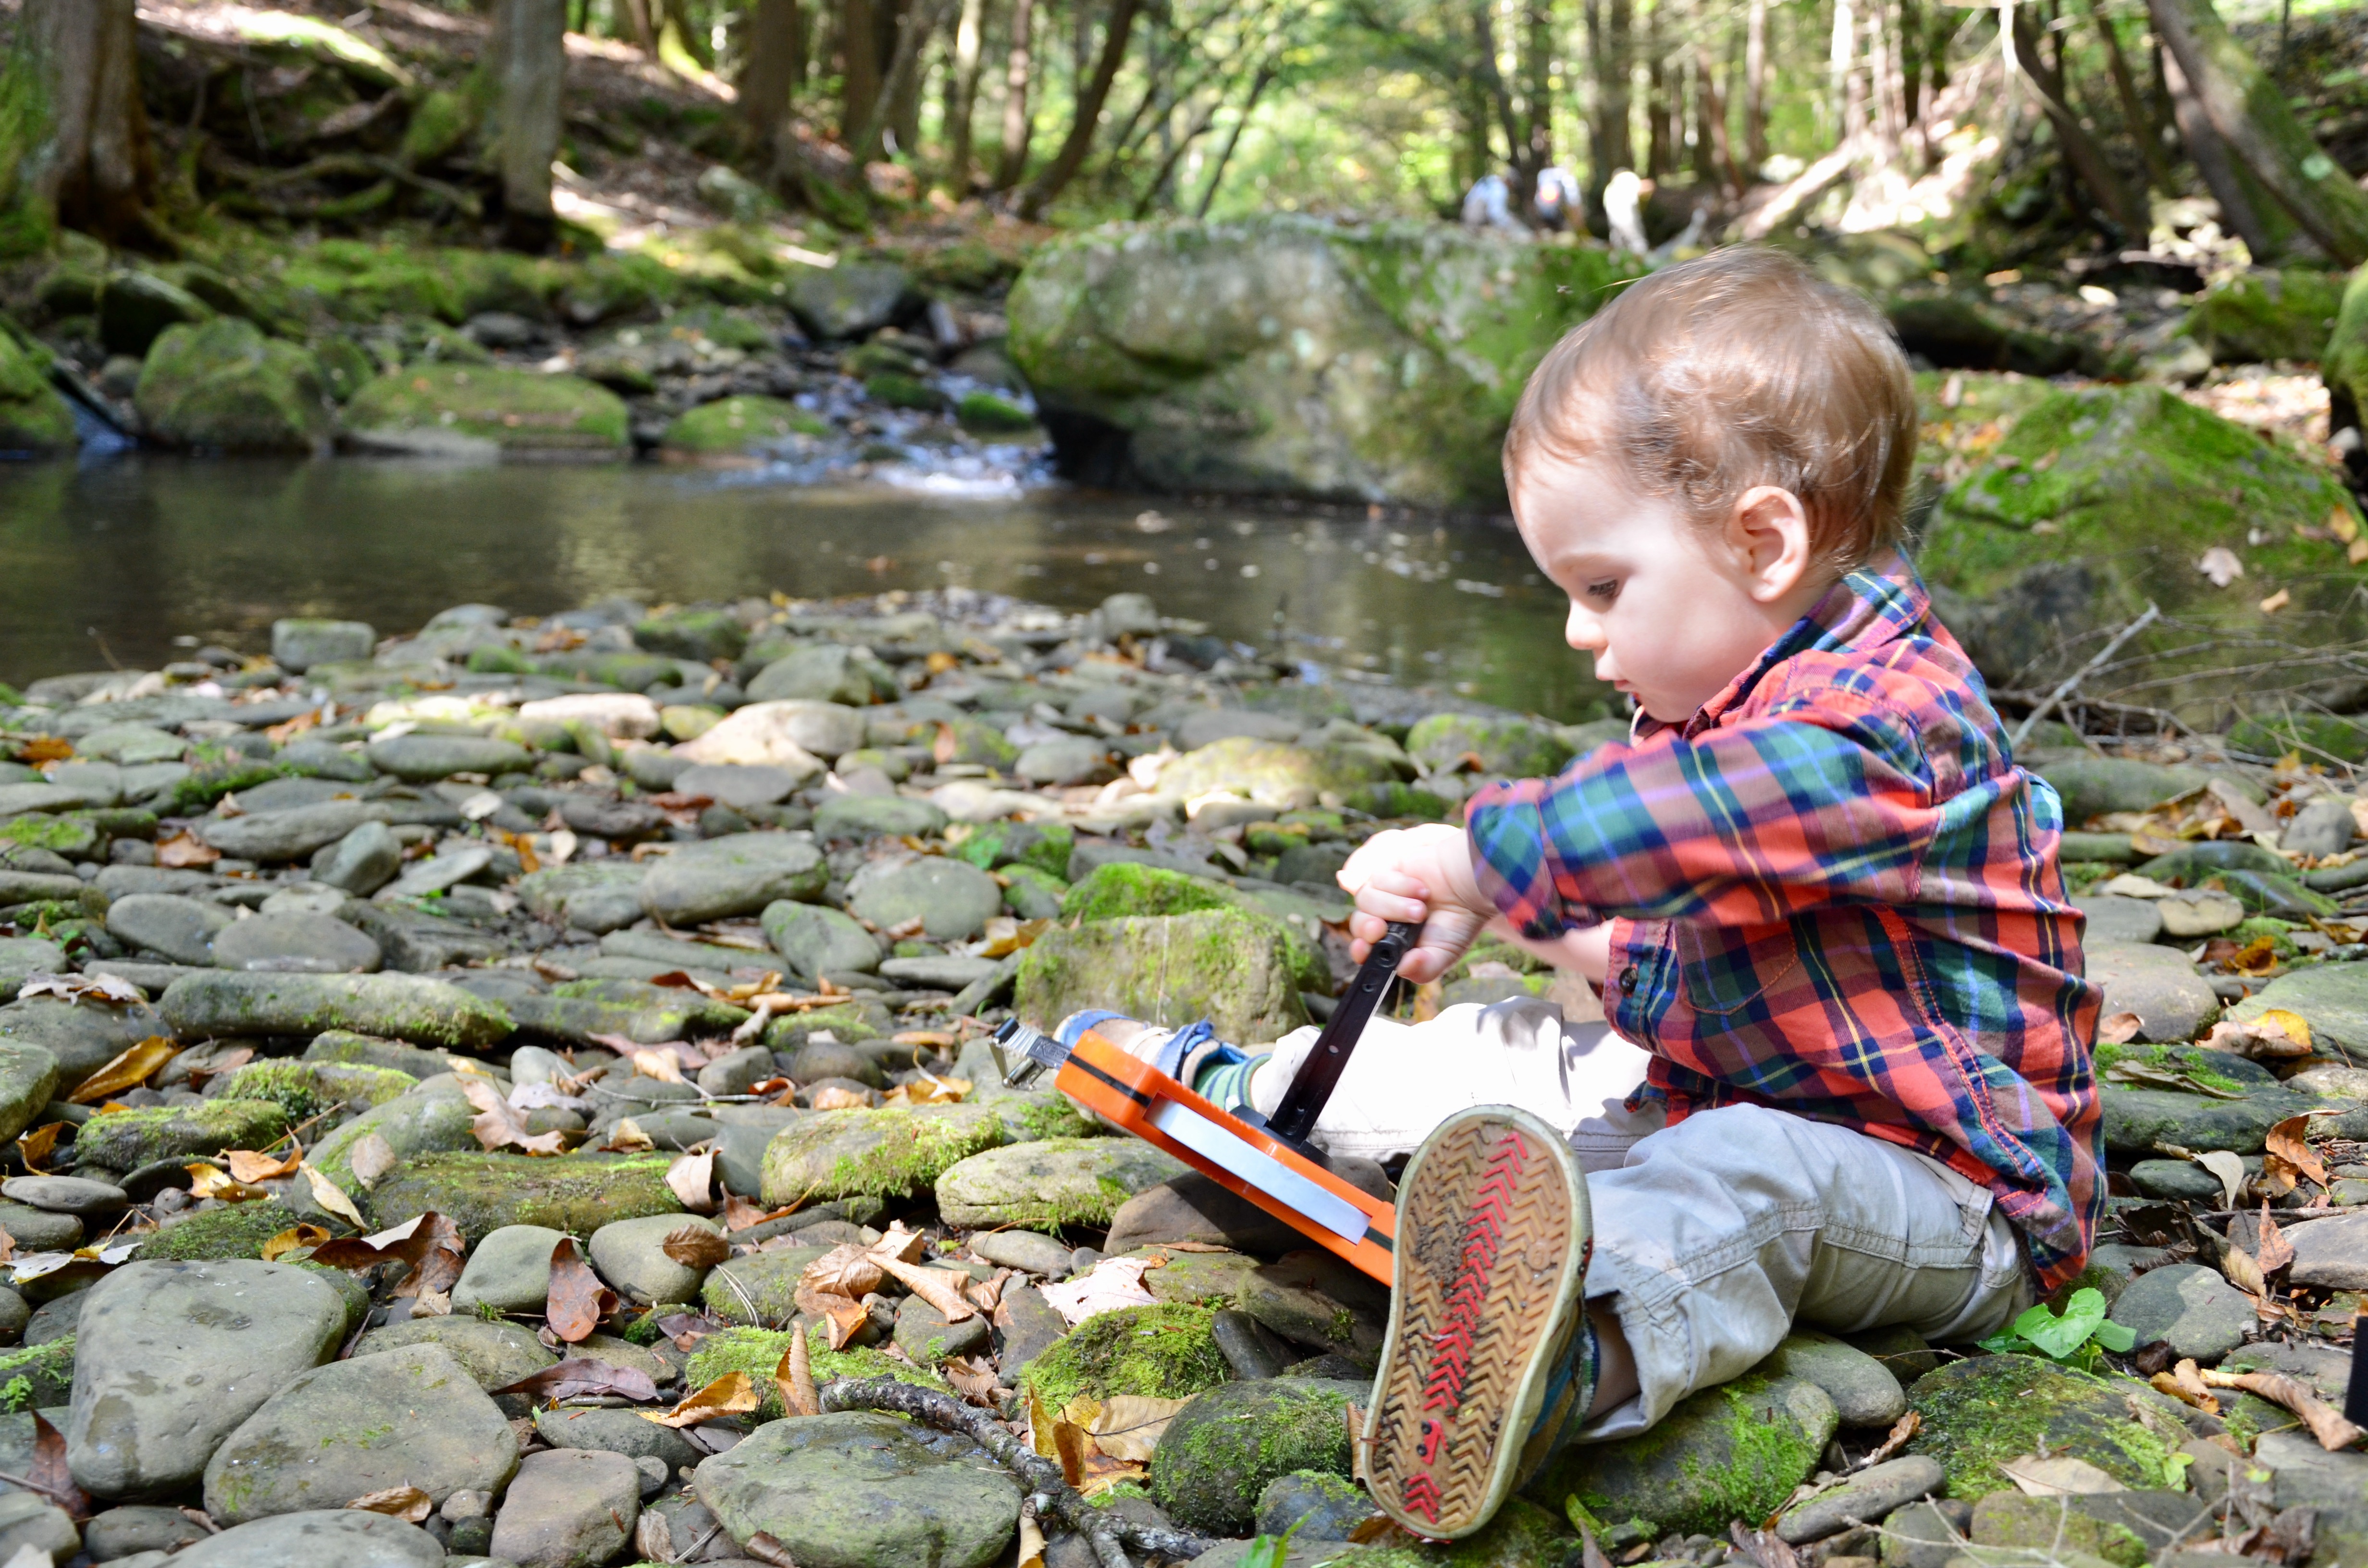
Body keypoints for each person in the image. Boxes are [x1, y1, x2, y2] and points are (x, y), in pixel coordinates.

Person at [1128, 246, 2101, 1541]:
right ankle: (1266, 1094)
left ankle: (1570, 1351)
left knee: (1742, 1180)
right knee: (1501, 1050)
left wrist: (1487, 856)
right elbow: (1678, 930)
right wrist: (1527, 915)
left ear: (1763, 541)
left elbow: (1706, 824)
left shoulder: (1888, 724)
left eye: (1602, 588)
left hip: (1946, 1191)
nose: (1582, 635)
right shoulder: (1717, 697)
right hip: (1715, 1081)